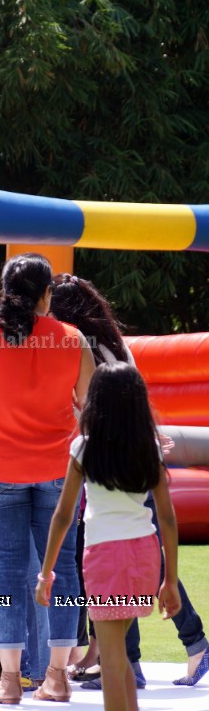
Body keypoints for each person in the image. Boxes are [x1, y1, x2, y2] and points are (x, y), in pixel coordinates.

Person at [0, 253, 95, 704]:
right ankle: (56, 677)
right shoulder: (73, 339)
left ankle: (9, 681)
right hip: (58, 472)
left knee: (7, 573)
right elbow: (91, 411)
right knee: (63, 571)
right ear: (46, 293)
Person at [51, 273, 208, 688]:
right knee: (142, 556)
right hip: (132, 458)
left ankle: (148, 658)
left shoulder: (83, 348)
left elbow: (89, 407)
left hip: (110, 463)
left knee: (121, 558)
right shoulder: (112, 344)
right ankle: (153, 656)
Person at [36, 362, 181, 711]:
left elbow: (63, 515)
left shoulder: (83, 449)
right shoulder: (150, 448)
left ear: (95, 402)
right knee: (119, 658)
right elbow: (168, 518)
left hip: (104, 556)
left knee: (113, 661)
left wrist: (46, 574)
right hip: (144, 554)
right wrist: (171, 581)